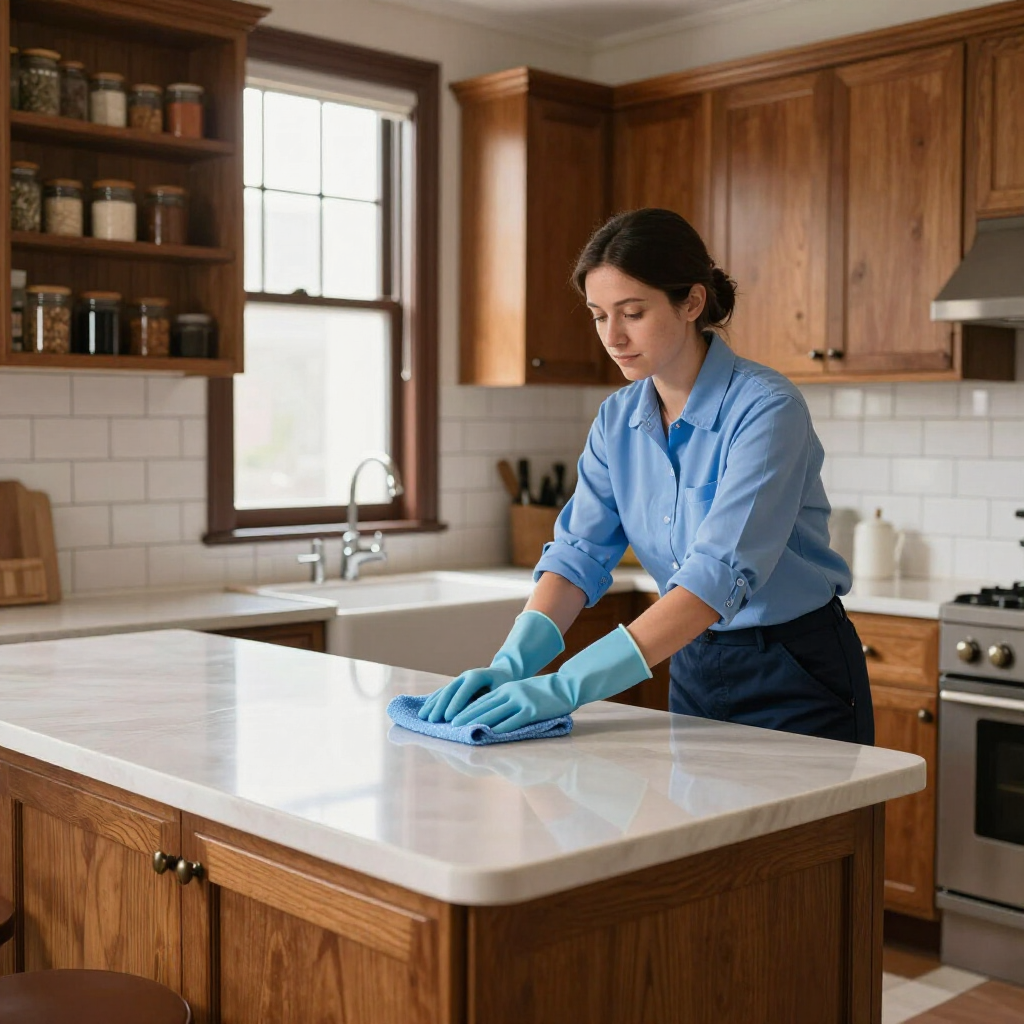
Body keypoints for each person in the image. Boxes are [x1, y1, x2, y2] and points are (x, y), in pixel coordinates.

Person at [421, 208, 873, 744]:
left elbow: (714, 578)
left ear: (691, 302)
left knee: (803, 832)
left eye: (632, 312)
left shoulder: (767, 409)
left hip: (795, 670)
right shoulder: (618, 420)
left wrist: (566, 687)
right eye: (597, 315)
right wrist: (510, 663)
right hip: (691, 659)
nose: (612, 336)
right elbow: (577, 555)